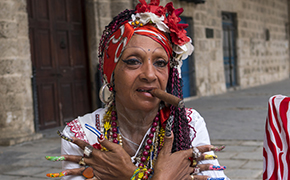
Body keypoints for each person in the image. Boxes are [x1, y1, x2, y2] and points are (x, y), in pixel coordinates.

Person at [45, 0, 229, 179]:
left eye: (160, 63)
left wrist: (130, 176)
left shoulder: (189, 125)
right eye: (133, 61)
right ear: (111, 74)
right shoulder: (82, 134)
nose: (149, 75)